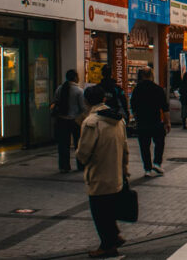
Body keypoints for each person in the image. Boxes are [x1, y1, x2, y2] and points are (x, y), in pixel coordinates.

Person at [75, 85, 129, 258]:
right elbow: (125, 147)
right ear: (104, 99)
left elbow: (83, 152)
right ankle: (115, 236)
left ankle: (107, 245)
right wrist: (124, 169)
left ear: (86, 101)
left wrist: (81, 160)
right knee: (109, 208)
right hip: (116, 173)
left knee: (99, 212)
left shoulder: (91, 123)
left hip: (98, 174)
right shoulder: (118, 119)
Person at [129, 68, 170, 178]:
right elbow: (165, 108)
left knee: (144, 146)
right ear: (152, 75)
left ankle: (147, 168)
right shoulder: (158, 89)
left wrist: (136, 119)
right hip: (156, 121)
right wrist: (167, 122)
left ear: (142, 76)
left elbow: (133, 106)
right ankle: (157, 163)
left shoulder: (137, 89)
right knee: (159, 143)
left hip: (142, 122)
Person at [52, 69, 86, 173]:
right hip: (75, 121)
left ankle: (64, 166)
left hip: (62, 120)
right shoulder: (79, 91)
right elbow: (83, 107)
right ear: (75, 77)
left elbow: (55, 102)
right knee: (78, 144)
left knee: (63, 144)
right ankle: (80, 165)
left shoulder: (60, 88)